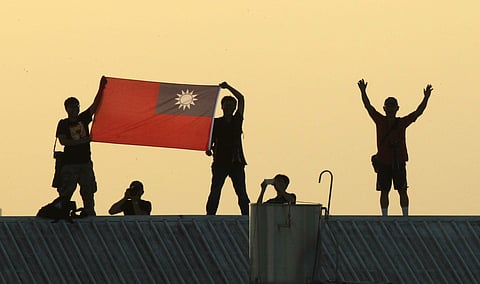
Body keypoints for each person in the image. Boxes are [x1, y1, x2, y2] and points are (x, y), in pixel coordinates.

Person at [357, 79, 433, 217]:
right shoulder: (380, 121)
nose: (390, 110)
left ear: (396, 109)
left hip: (398, 162)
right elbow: (368, 107)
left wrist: (426, 97)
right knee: (384, 191)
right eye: (388, 107)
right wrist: (363, 92)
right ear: (385, 109)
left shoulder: (401, 123)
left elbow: (418, 112)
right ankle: (385, 217)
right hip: (384, 162)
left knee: (402, 190)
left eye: (392, 107)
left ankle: (405, 216)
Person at [55, 76, 107, 217]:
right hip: (70, 164)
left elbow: (95, 105)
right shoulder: (63, 124)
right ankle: (62, 213)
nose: (74, 109)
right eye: (71, 106)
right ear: (66, 109)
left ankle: (89, 214)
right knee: (66, 193)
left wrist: (102, 88)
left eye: (76, 106)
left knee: (88, 192)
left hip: (85, 163)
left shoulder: (83, 118)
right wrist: (83, 141)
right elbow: (63, 141)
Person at [205, 82, 250, 215]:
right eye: (227, 105)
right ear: (222, 107)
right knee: (215, 191)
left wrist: (228, 87)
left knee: (241, 192)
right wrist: (208, 149)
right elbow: (210, 140)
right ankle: (210, 216)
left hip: (236, 161)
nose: (229, 107)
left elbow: (241, 99)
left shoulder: (237, 120)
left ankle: (246, 216)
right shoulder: (216, 122)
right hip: (220, 161)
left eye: (232, 105)